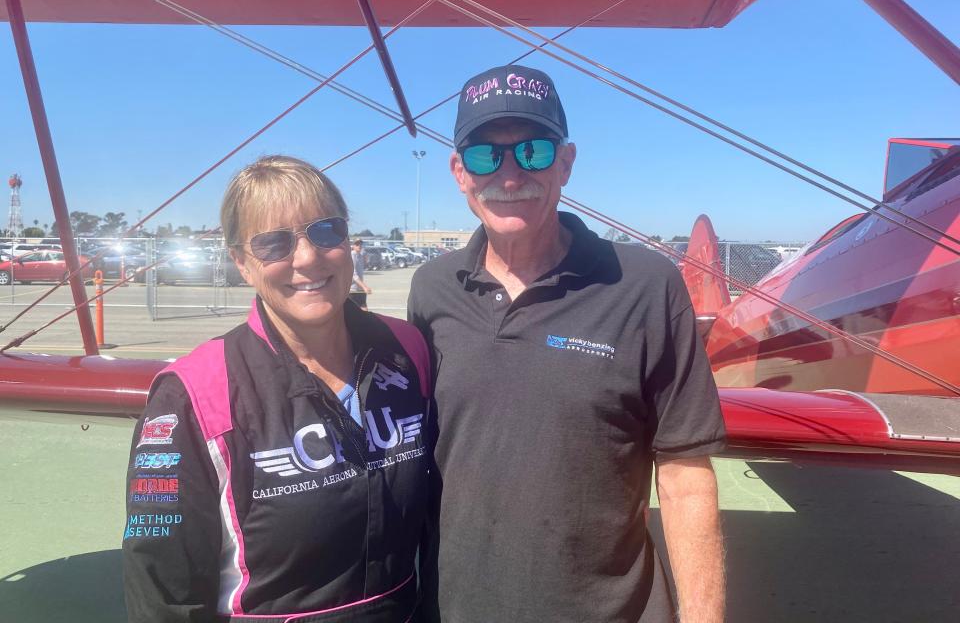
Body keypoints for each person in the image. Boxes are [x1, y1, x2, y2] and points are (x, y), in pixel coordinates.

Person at [408, 65, 726, 623]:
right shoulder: (431, 289)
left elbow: (685, 476)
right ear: (460, 172)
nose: (509, 175)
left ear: (566, 163)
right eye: (486, 156)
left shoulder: (645, 285)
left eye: (532, 151)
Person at [123, 155, 431, 622]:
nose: (307, 258)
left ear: (349, 241)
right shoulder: (193, 393)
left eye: (326, 231)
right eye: (274, 244)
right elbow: (163, 591)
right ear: (242, 263)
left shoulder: (407, 351)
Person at [350, 238, 373, 310]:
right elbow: (353, 275)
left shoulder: (360, 255)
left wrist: (365, 256)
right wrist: (365, 287)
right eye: (357, 244)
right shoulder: (352, 255)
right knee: (353, 312)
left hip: (359, 289)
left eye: (360, 244)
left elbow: (367, 264)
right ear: (353, 246)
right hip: (352, 290)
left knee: (364, 309)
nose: (359, 245)